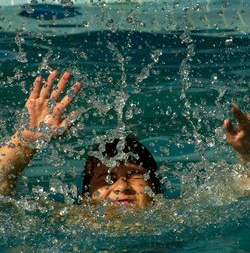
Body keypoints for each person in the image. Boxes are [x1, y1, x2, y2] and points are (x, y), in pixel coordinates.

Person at [0, 71, 249, 206]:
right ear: (87, 198)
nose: (121, 187)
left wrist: (247, 156)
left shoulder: (180, 213)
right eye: (106, 179)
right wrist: (27, 140)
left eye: (134, 174)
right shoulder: (71, 219)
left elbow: (243, 193)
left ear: (156, 189)